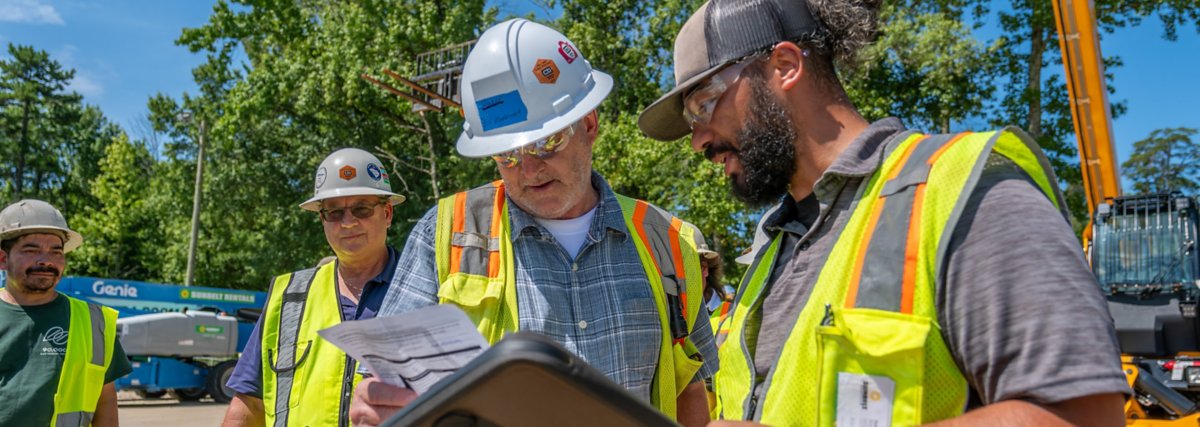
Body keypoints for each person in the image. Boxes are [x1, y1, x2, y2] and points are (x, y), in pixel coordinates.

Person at [637, 0, 1129, 425]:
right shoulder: (772, 248)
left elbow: (1084, 416)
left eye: (704, 103)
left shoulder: (958, 189)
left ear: (785, 65)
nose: (699, 139)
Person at [349, 18, 717, 427]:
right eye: (507, 154)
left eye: (545, 142)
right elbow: (386, 384)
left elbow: (690, 387)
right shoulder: (449, 232)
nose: (528, 169)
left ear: (590, 124)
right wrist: (375, 401)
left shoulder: (666, 242)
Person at [221, 148, 406, 427]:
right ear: (322, 220)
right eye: (333, 212)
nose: (348, 222)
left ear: (387, 213)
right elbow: (249, 404)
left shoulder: (425, 289)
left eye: (362, 209)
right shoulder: (288, 297)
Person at [0, 199, 132, 427]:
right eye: (31, 250)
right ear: (3, 259)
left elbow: (105, 399)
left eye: (56, 251)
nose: (46, 261)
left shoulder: (94, 322)